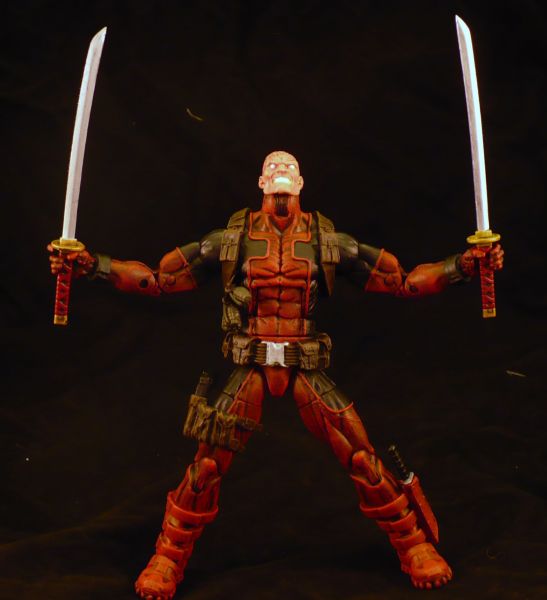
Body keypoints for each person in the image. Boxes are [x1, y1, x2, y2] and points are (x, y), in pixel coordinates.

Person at [49, 150, 504, 599]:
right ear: (261, 182)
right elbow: (158, 279)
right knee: (206, 467)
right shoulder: (231, 240)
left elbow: (402, 281)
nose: (281, 170)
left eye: (289, 167)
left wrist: (462, 266)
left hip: (304, 362)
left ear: (300, 183)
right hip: (251, 363)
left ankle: (414, 544)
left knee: (362, 459)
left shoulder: (328, 241)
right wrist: (92, 265)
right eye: (273, 167)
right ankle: (167, 556)